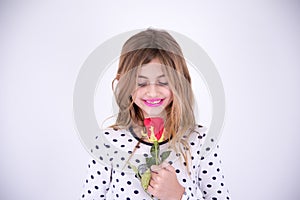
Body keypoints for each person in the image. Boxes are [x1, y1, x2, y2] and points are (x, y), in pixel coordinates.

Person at [80, 28, 231, 200]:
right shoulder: (107, 142)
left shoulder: (199, 140)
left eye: (163, 82)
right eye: (141, 83)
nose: (152, 92)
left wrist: (179, 196)